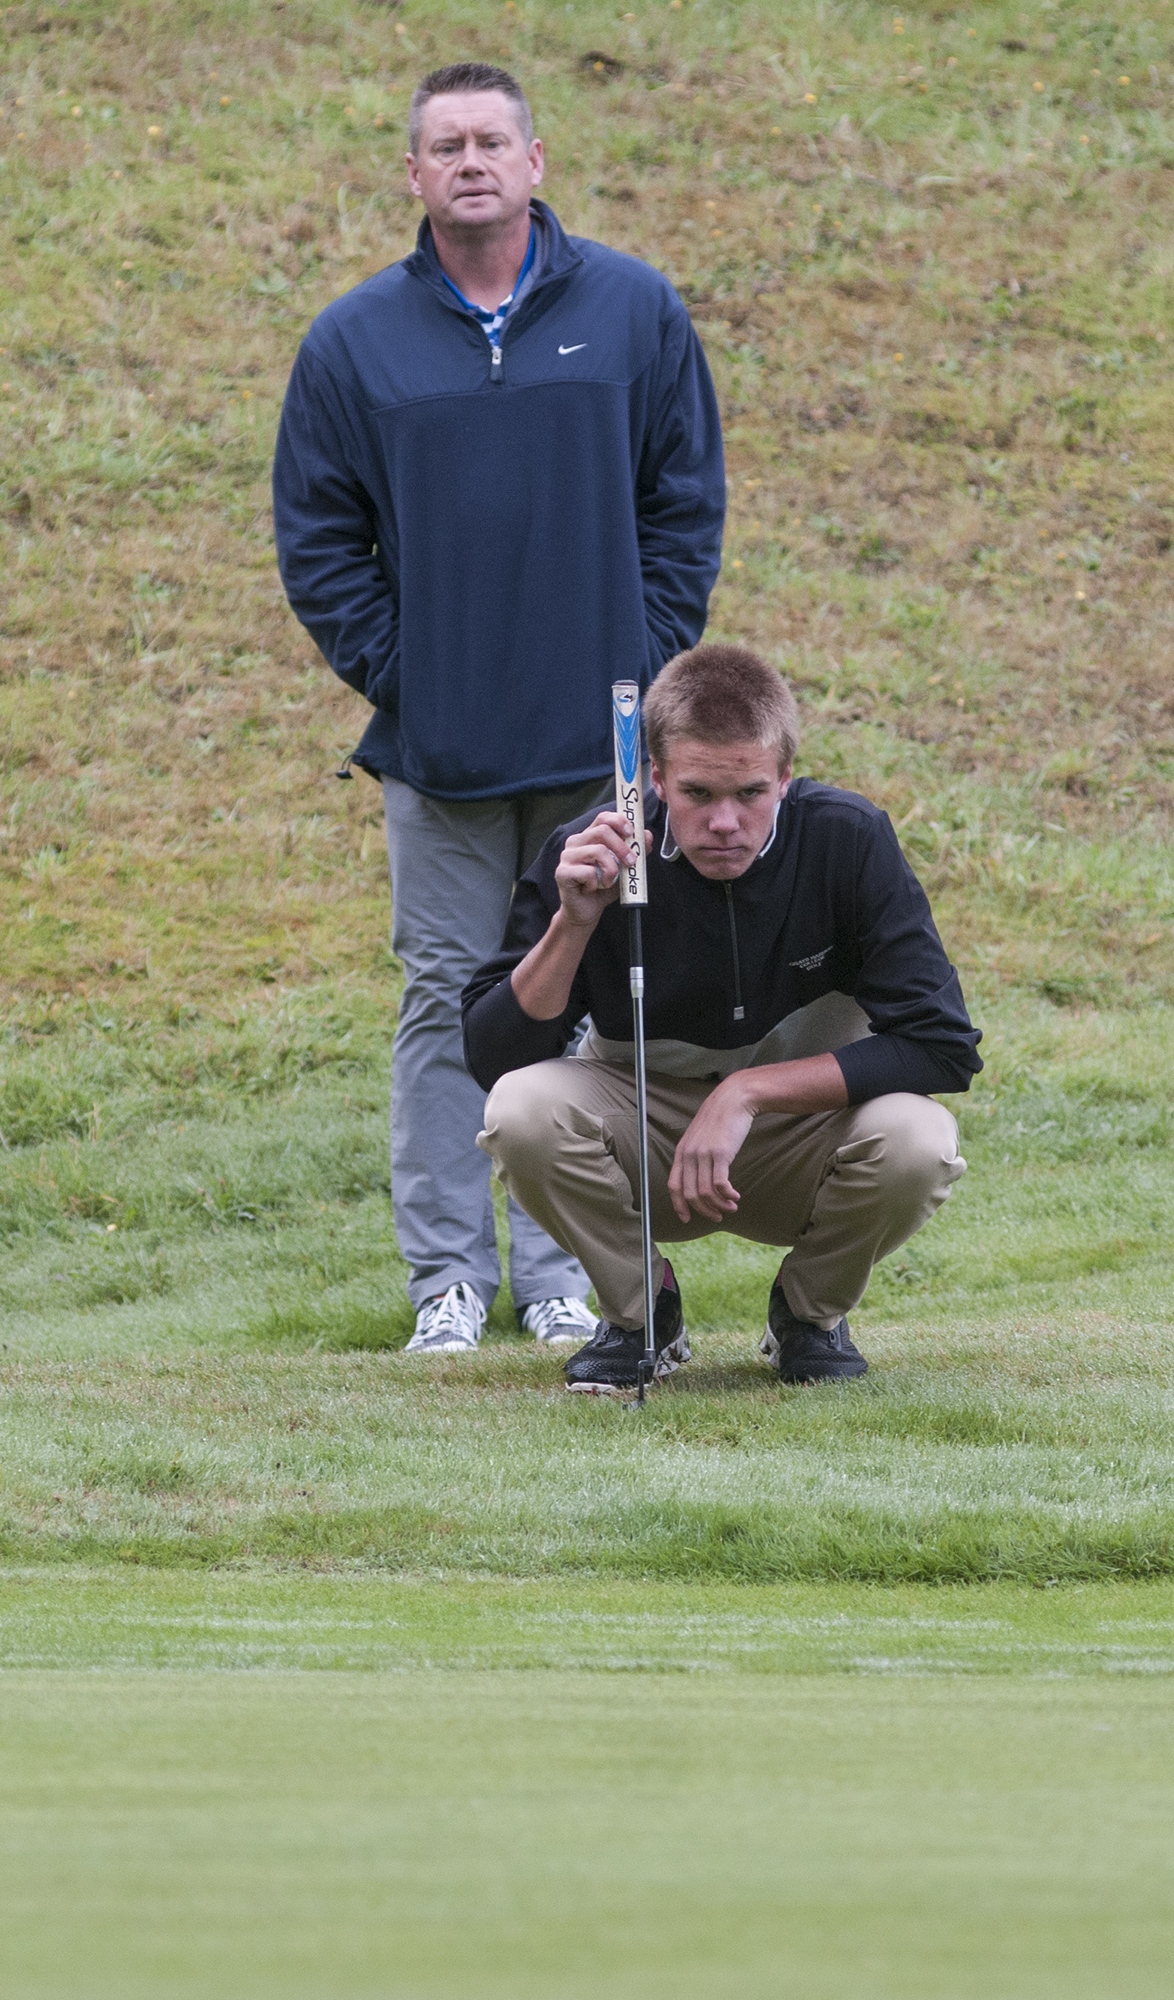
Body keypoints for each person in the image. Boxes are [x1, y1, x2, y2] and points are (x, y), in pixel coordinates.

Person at [271, 62, 726, 1354]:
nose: (470, 162)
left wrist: (640, 658)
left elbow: (683, 502)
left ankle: (563, 1277)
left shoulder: (632, 310)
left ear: (535, 163)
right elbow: (318, 538)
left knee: (582, 1008)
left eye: (491, 141)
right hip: (443, 753)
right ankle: (447, 1284)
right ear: (413, 174)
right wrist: (406, 673)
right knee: (444, 1004)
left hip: (598, 748)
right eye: (446, 145)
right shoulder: (354, 341)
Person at [463, 645, 981, 1393]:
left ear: (785, 778)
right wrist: (573, 924)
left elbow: (942, 1046)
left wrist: (746, 1093)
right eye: (698, 793)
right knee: (520, 1109)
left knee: (919, 1138)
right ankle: (643, 1313)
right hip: (645, 1133)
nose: (725, 822)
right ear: (655, 780)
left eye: (750, 792)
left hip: (799, 1134)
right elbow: (494, 1059)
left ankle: (807, 1317)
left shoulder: (848, 838)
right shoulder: (595, 850)